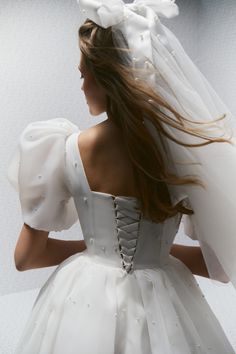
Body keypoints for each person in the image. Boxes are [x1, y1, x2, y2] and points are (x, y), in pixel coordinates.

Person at [6, 1, 236, 353]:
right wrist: (152, 253)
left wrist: (98, 249)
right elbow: (219, 266)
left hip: (82, 298)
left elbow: (26, 258)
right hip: (169, 301)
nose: (81, 86)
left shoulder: (65, 147)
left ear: (109, 78)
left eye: (84, 75)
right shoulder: (184, 152)